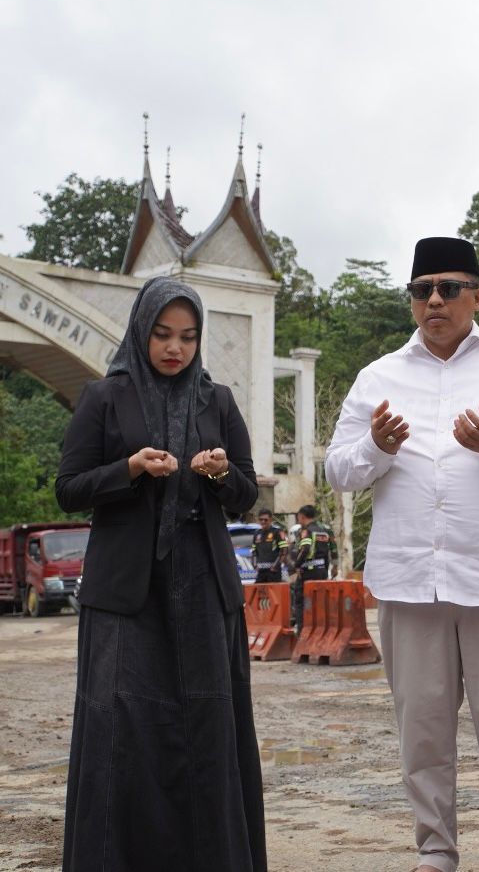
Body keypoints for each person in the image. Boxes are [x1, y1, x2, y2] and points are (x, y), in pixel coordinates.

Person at [325, 236, 479, 872]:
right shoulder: (378, 377)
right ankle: (435, 851)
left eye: (449, 288)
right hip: (409, 581)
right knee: (422, 729)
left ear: (477, 295)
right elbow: (340, 471)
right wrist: (376, 447)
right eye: (422, 290)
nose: (434, 301)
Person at [54, 276, 265, 871]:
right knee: (122, 728)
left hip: (203, 587)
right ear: (142, 331)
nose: (175, 348)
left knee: (206, 727)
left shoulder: (216, 400)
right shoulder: (105, 396)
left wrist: (220, 473)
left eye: (189, 337)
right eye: (163, 334)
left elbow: (245, 495)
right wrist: (128, 468)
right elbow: (69, 489)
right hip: (125, 594)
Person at [289, 504, 331, 630]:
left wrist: (296, 565)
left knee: (300, 601)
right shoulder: (323, 531)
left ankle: (303, 631)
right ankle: (320, 629)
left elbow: (305, 549)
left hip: (308, 573)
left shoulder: (307, 531)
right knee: (319, 602)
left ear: (301, 517)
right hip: (322, 571)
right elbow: (328, 553)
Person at [251, 507, 287, 583]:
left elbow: (284, 550)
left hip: (273, 572)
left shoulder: (277, 532)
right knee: (258, 593)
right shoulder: (257, 533)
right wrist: (254, 565)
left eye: (265, 519)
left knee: (274, 594)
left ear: (270, 520)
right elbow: (254, 551)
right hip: (261, 571)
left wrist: (275, 566)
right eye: (261, 519)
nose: (263, 521)